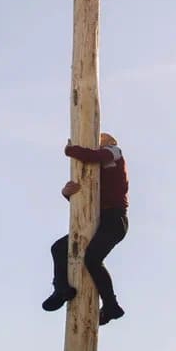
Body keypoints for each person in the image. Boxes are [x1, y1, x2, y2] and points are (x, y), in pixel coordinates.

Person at [42, 133, 129, 325]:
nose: (99, 145)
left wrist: (71, 151)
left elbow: (97, 156)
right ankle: (61, 288)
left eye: (102, 141)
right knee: (59, 248)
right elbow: (85, 199)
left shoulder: (114, 153)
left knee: (92, 258)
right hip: (97, 219)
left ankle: (111, 304)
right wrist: (67, 193)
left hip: (114, 218)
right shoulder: (95, 169)